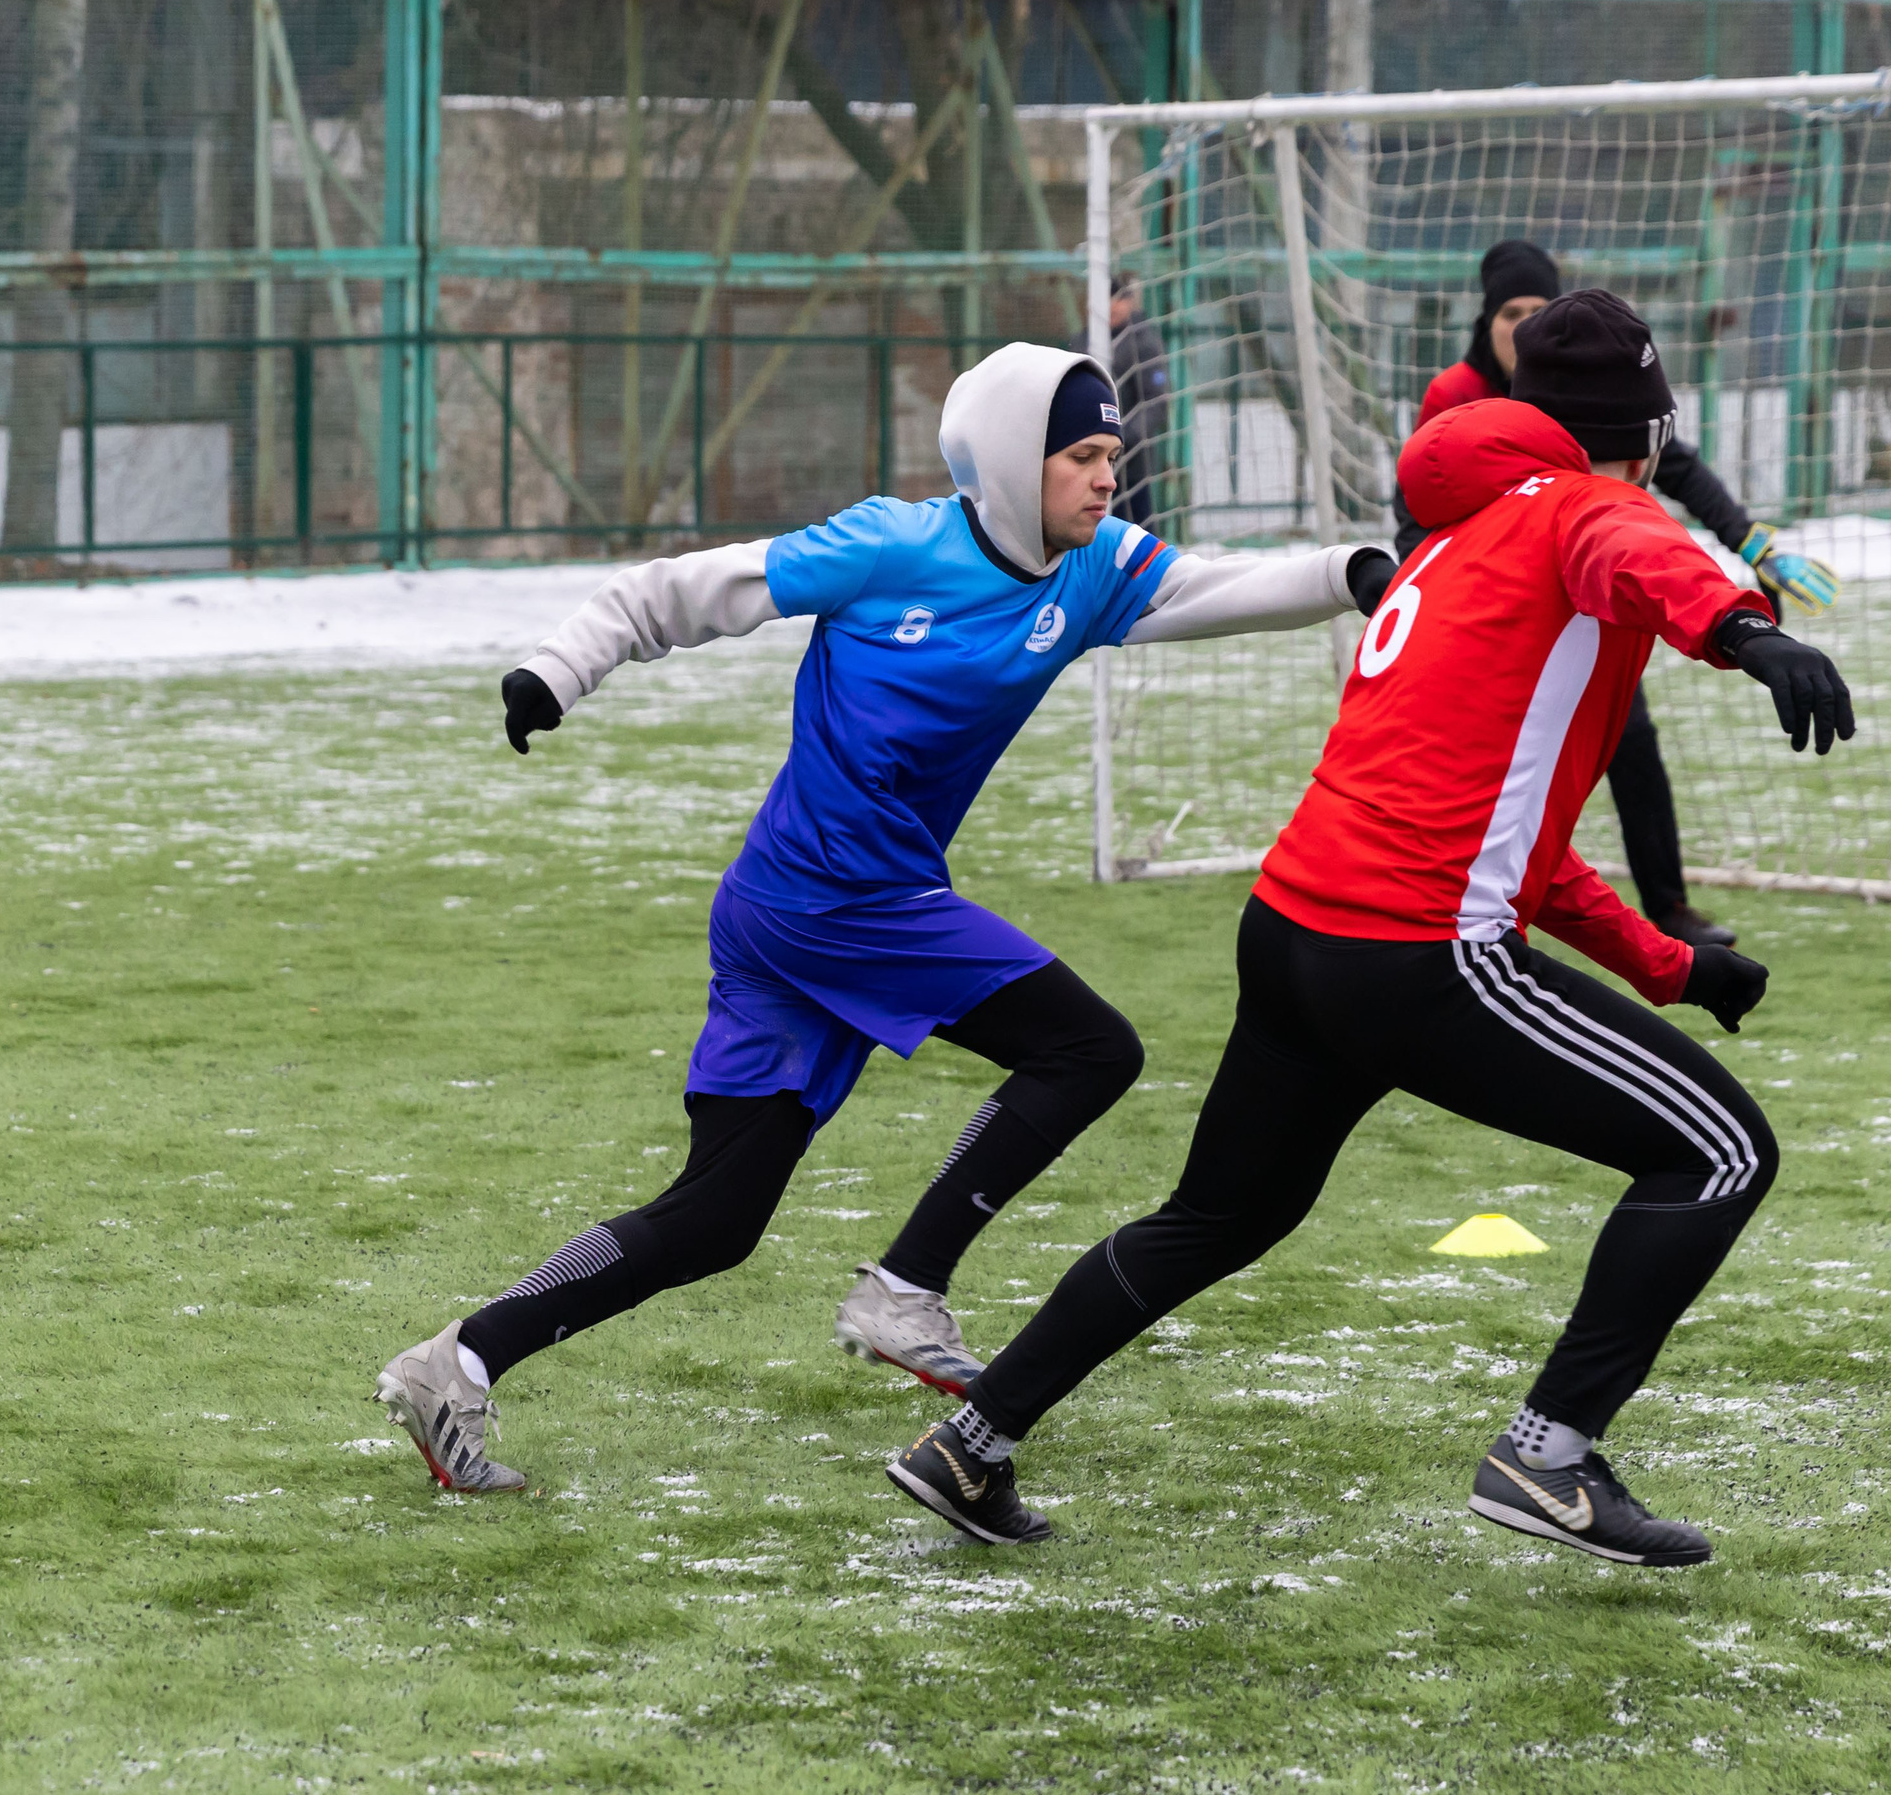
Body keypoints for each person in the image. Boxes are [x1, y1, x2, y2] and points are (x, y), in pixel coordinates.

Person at [884, 291, 1854, 1565]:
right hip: (1411, 952)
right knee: (1722, 1150)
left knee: (1218, 1215)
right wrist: (1742, 630)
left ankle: (977, 1439)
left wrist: (1671, 965)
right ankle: (1550, 1455)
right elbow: (1641, 553)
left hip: (1295, 929)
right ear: (1649, 432)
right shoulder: (1587, 509)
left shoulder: (1459, 535)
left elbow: (1519, 841)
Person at [373, 343, 1398, 1494]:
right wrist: (556, 671)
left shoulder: (1093, 569)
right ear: (1015, 462)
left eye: (1113, 455)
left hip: (790, 908)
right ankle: (906, 1284)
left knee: (715, 1216)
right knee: (1090, 1047)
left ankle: (457, 1359)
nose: (1106, 478)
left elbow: (1204, 588)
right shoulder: (889, 544)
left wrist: (1348, 569)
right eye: (1080, 455)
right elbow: (671, 593)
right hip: (833, 900)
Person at [1396, 241, 1843, 951]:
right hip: (1490, 623)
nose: (1524, 328)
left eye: (1537, 313)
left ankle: (1667, 908)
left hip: (1579, 608)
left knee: (1628, 745)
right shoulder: (1456, 398)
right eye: (1511, 314)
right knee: (1487, 777)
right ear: (1485, 323)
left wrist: (1750, 547)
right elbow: (1424, 513)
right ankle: (1452, 909)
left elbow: (1656, 488)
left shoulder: (1592, 420)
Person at [1069, 271, 1169, 528]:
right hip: (1087, 456)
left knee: (1135, 530)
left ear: (1129, 301)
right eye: (1105, 299)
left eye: (1118, 299)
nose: (1112, 306)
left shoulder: (1143, 341)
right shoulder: (1083, 341)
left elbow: (1156, 402)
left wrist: (1119, 439)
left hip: (1131, 464)